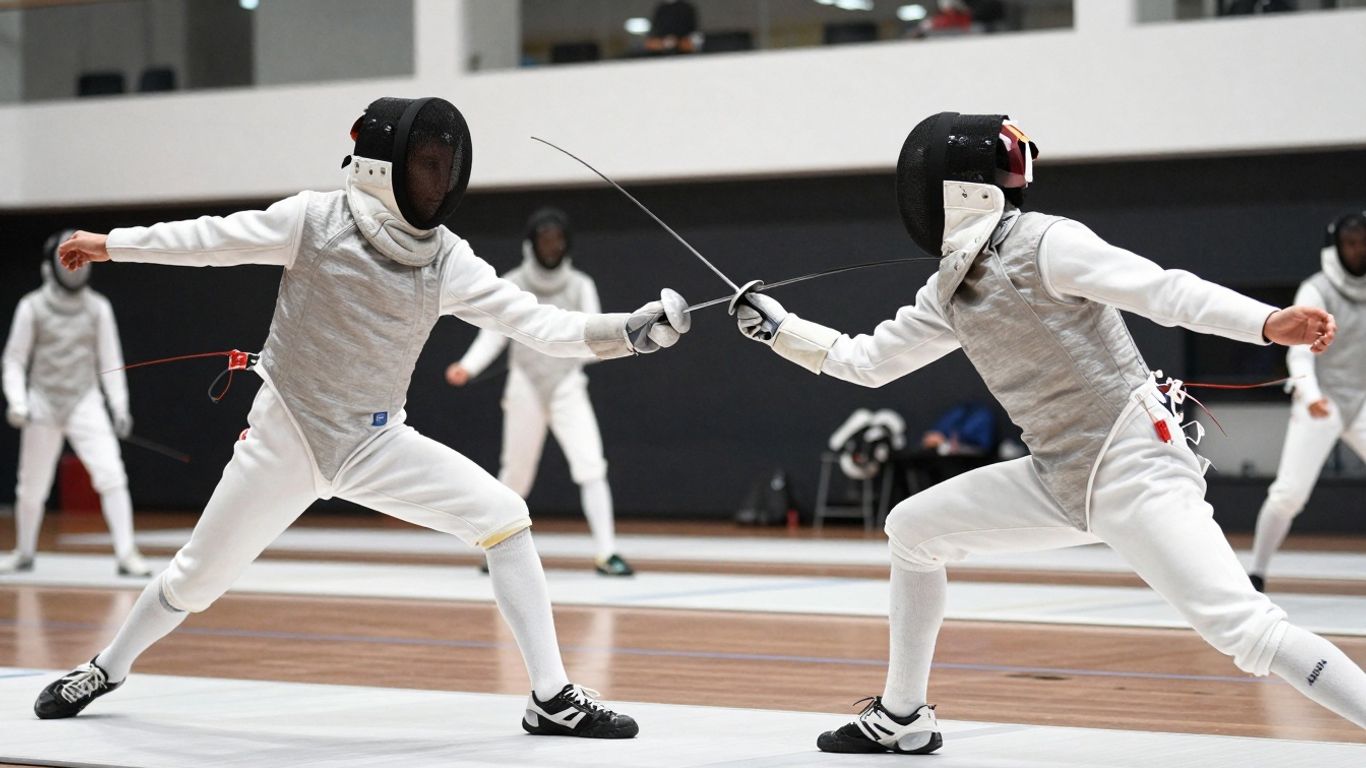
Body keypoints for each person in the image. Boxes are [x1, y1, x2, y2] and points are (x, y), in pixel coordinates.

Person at [32, 97, 692, 740]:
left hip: (376, 441)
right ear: (383, 165)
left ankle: (551, 699)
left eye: (446, 166)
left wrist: (625, 333)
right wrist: (112, 245)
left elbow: (538, 321)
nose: (439, 182)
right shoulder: (313, 220)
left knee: (505, 520)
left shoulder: (445, 258)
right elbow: (212, 238)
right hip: (286, 435)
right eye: (427, 164)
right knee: (194, 578)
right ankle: (106, 667)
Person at [734, 112, 1363, 753]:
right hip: (1058, 474)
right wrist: (780, 329)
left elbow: (1162, 290)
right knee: (913, 531)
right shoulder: (950, 289)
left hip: (1131, 463)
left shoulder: (1047, 242)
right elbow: (866, 363)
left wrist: (1267, 322)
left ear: (957, 191)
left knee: (1246, 632)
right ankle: (902, 719)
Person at [447, 207, 633, 576]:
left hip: (567, 386)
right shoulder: (513, 281)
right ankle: (495, 549)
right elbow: (493, 334)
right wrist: (468, 366)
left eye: (557, 240)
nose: (551, 247)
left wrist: (619, 341)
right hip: (524, 387)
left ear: (567, 245)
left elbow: (595, 332)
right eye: (544, 240)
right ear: (531, 244)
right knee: (516, 475)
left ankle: (606, 552)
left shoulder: (580, 284)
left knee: (591, 465)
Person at [2, 230, 150, 577]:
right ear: (51, 265)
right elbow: (14, 360)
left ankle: (127, 553)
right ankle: (24, 552)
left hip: (85, 400)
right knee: (32, 485)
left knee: (112, 474)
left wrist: (119, 407)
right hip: (42, 401)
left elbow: (110, 362)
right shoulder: (32, 306)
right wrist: (19, 401)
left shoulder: (98, 308)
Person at [1248, 211, 1366, 592]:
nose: (1360, 249)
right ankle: (1257, 572)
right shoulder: (1317, 290)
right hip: (1322, 401)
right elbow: (1298, 351)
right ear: (1336, 247)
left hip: (1362, 400)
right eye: (1352, 242)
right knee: (1288, 494)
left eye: (1364, 242)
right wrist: (1311, 396)